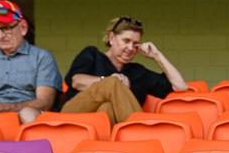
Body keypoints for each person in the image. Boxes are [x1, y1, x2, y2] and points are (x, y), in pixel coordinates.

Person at [60, 16, 188, 125]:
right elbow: (76, 81)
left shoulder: (138, 72)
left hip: (100, 127)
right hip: (73, 114)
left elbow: (180, 86)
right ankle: (138, 132)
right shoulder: (92, 54)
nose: (130, 48)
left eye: (135, 44)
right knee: (113, 83)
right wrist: (108, 82)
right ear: (111, 38)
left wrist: (157, 56)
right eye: (126, 41)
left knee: (107, 108)